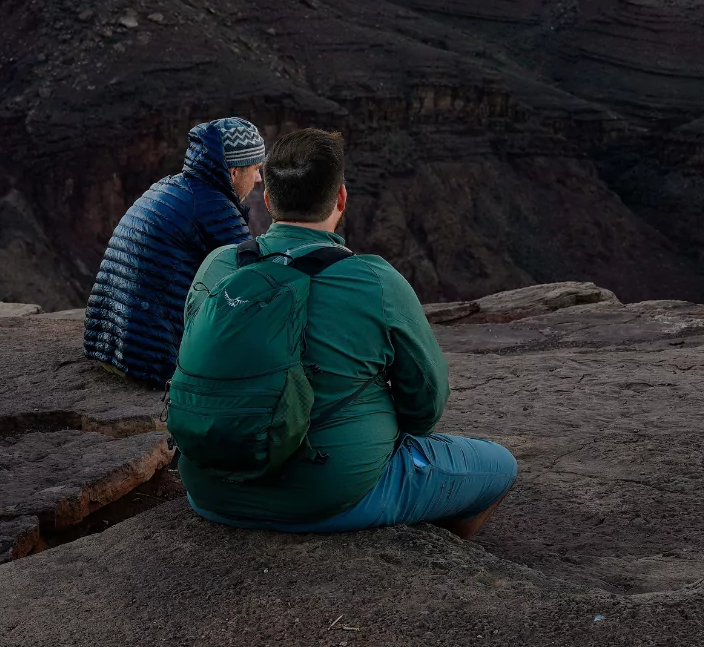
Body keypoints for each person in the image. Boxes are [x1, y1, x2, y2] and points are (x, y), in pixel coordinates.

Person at [175, 128, 517, 536]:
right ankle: (446, 572)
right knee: (500, 466)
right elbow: (426, 403)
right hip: (328, 495)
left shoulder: (220, 265)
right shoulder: (374, 280)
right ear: (341, 198)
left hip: (210, 489)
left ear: (267, 200)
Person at [83, 116, 265, 385]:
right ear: (234, 172)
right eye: (255, 168)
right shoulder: (213, 206)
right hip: (153, 360)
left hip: (108, 346)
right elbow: (250, 283)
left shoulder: (170, 187)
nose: (259, 179)